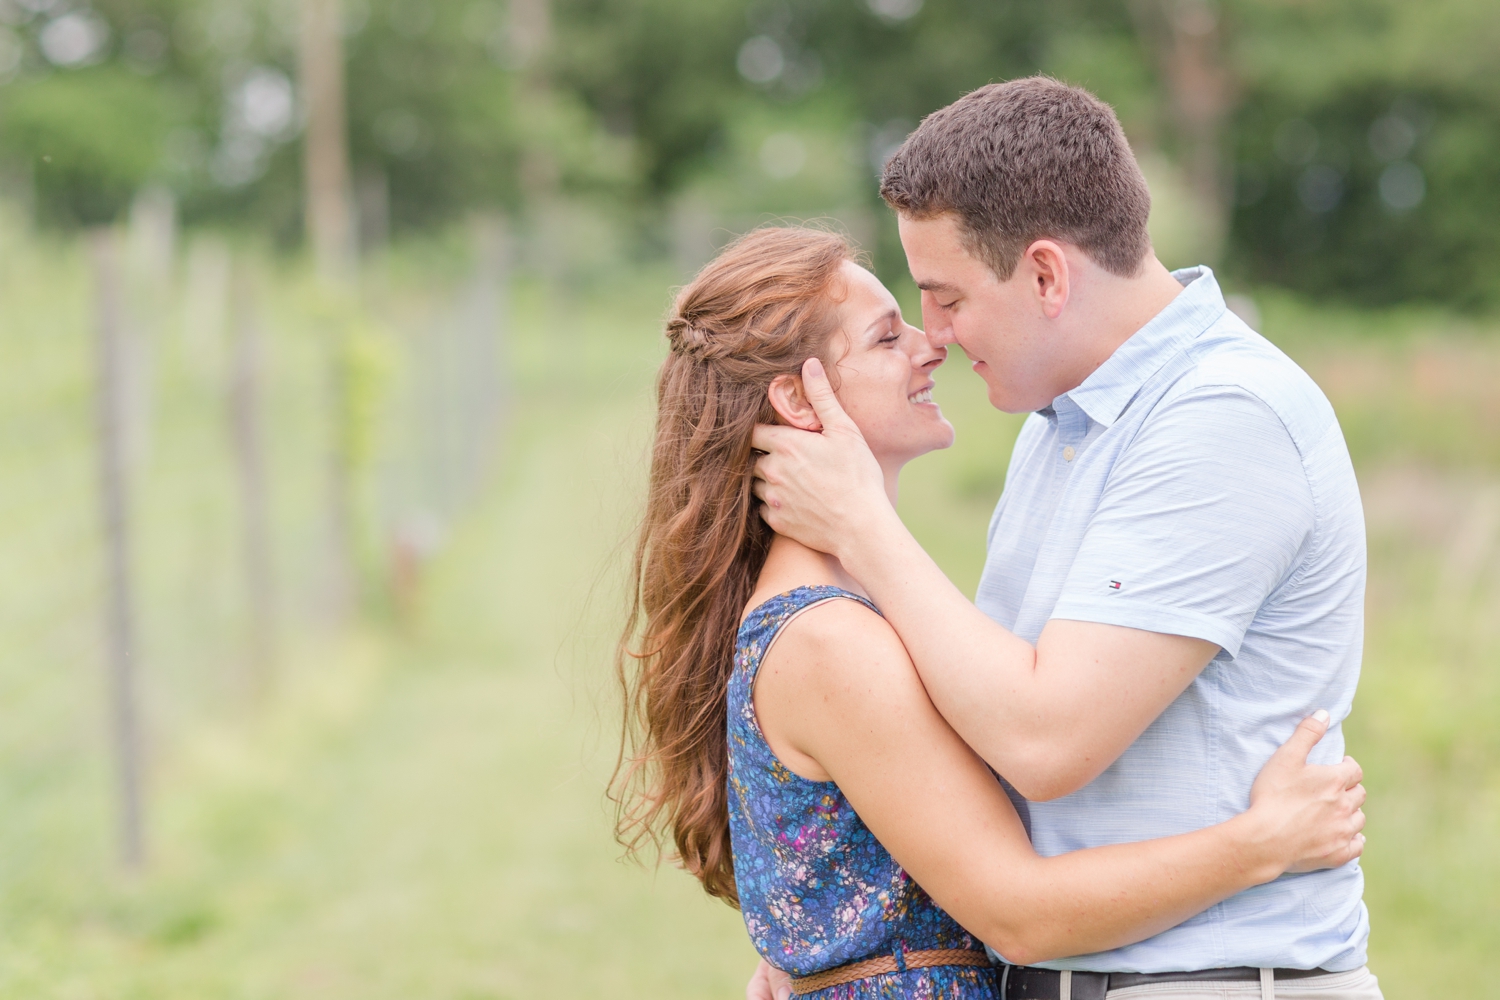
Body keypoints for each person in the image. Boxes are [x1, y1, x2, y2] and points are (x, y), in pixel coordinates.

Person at [613, 225, 1366, 1000]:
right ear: (800, 400)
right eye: (885, 336)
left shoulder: (852, 615)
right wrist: (1261, 843)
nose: (927, 343)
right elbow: (1021, 914)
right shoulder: (830, 639)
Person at [749, 80, 1378, 999]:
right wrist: (833, 926)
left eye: (947, 297)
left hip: (1211, 982)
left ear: (1046, 275)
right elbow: (984, 721)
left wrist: (859, 524)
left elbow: (1045, 742)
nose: (937, 335)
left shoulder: (1221, 419)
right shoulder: (1065, 424)